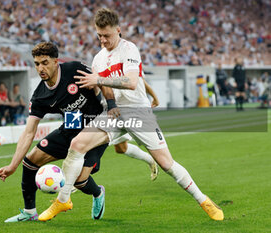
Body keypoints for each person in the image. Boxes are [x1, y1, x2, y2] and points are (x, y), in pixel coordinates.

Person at [39, 8, 224, 222]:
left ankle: (203, 200)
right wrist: (104, 97)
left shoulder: (129, 49)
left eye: (107, 35)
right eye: (99, 35)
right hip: (114, 113)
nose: (103, 40)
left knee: (166, 164)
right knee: (77, 145)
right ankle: (63, 200)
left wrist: (99, 80)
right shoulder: (98, 58)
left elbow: (132, 82)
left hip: (138, 112)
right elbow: (106, 86)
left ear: (118, 30)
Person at [0, 42, 156, 222]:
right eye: (37, 63)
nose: (41, 68)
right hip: (71, 127)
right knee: (30, 161)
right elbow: (28, 132)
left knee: (80, 180)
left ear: (56, 61)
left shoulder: (74, 69)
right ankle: (29, 212)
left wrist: (111, 105)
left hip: (96, 127)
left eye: (45, 62)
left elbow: (101, 79)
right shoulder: (40, 96)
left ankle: (98, 193)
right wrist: (12, 166)